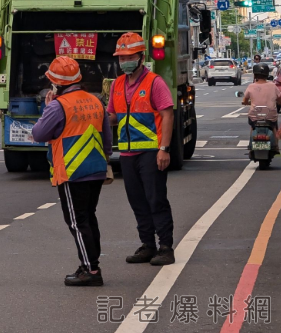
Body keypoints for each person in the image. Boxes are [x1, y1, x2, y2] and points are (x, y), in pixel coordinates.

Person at [32, 56, 112, 287]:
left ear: (57, 84)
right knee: (88, 218)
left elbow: (39, 134)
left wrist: (47, 107)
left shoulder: (58, 106)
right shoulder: (95, 101)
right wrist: (103, 161)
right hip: (96, 169)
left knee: (77, 222)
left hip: (72, 171)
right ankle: (90, 264)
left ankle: (91, 270)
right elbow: (107, 139)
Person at [107, 32, 176, 266]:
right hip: (126, 154)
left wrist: (164, 148)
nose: (124, 60)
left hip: (151, 152)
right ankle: (148, 245)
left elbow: (167, 114)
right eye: (120, 57)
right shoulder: (117, 84)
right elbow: (113, 117)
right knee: (137, 201)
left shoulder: (155, 82)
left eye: (129, 56)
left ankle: (165, 247)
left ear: (140, 56)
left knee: (156, 200)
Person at [242, 63, 281, 147]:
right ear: (267, 74)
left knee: (253, 126)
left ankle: (251, 145)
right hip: (270, 115)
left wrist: (246, 102)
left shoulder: (251, 86)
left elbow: (245, 100)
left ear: (255, 75)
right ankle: (276, 146)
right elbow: (279, 99)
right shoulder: (273, 86)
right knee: (274, 126)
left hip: (254, 115)